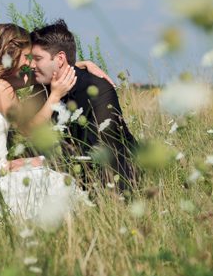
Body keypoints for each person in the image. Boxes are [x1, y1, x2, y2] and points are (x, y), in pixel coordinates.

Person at [0, 23, 108, 226]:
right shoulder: (0, 88)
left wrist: (77, 65)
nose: (31, 64)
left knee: (39, 161)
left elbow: (31, 80)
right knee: (54, 181)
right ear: (10, 54)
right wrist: (55, 97)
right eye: (26, 57)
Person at [27, 20, 138, 192]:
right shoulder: (42, 87)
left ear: (60, 59)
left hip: (114, 181)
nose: (31, 65)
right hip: (67, 173)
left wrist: (41, 161)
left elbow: (98, 152)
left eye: (37, 59)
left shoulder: (97, 90)